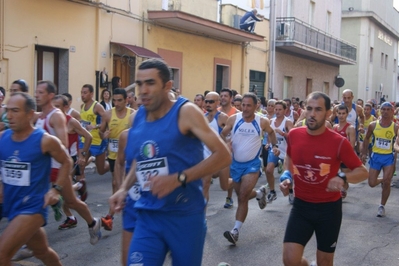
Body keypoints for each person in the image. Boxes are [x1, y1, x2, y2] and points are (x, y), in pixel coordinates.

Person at [109, 58, 231, 265]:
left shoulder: (186, 112)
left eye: (150, 83)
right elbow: (141, 161)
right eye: (139, 84)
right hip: (148, 215)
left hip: (184, 215)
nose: (143, 90)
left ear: (167, 86)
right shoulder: (138, 118)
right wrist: (123, 188)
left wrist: (178, 178)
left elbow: (223, 155)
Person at [279, 91, 368, 266]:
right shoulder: (295, 135)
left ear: (328, 113)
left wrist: (342, 177)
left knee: (325, 262)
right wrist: (286, 176)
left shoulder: (338, 141)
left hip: (329, 210)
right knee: (290, 260)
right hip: (301, 206)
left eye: (318, 110)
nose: (312, 114)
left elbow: (362, 171)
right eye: (309, 109)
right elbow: (289, 159)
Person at [0, 92, 72, 265]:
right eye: (8, 110)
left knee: (2, 255)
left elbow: (67, 161)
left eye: (15, 111)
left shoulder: (45, 140)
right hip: (12, 206)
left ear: (30, 113)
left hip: (32, 208)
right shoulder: (3, 138)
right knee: (42, 252)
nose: (9, 115)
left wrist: (56, 189)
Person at [35, 81, 102, 244]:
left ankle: (93, 223)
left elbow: (64, 144)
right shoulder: (38, 117)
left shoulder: (62, 118)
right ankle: (31, 239)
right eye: (36, 92)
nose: (36, 95)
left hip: (60, 166)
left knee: (71, 201)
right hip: (43, 168)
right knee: (35, 199)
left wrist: (83, 155)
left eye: (40, 92)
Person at [220, 93, 279, 245]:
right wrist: (226, 144)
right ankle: (260, 193)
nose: (245, 108)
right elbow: (222, 134)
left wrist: (275, 147)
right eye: (243, 105)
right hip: (235, 164)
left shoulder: (262, 121)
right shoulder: (234, 119)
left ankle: (235, 231)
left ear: (256, 106)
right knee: (242, 194)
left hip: (252, 164)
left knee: (241, 197)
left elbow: (271, 133)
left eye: (248, 105)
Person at [52, 94, 92, 229]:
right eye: (53, 106)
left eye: (57, 107)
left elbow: (88, 136)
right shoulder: (51, 120)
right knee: (62, 192)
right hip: (55, 160)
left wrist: (83, 156)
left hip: (69, 160)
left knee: (62, 191)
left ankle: (76, 218)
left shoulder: (71, 121)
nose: (54, 110)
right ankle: (79, 187)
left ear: (66, 107)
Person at [99, 88, 134, 231]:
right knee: (117, 184)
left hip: (128, 155)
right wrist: (104, 135)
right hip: (114, 155)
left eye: (120, 100)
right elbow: (101, 132)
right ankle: (121, 206)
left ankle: (110, 216)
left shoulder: (133, 115)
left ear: (126, 100)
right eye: (115, 100)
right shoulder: (108, 114)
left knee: (117, 183)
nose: (117, 103)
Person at [362, 102, 398, 217]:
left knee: (388, 181)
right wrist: (363, 153)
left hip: (388, 157)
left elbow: (397, 144)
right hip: (376, 156)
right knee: (372, 183)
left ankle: (382, 206)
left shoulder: (395, 127)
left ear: (392, 112)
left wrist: (395, 156)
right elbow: (366, 138)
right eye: (383, 109)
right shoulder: (373, 125)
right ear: (379, 111)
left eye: (388, 109)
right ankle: (383, 180)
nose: (386, 112)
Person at [202, 92, 231, 204]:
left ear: (217, 103)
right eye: (206, 101)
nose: (208, 104)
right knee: (205, 185)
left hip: (220, 157)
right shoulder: (202, 118)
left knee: (224, 186)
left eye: (211, 101)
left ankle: (238, 183)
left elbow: (230, 138)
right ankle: (202, 217)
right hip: (205, 158)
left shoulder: (223, 118)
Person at [265, 100, 294, 204]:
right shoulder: (271, 121)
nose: (277, 111)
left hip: (286, 151)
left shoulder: (288, 122)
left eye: (279, 109)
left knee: (288, 173)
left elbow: (293, 136)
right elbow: (269, 135)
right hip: (275, 149)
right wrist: (268, 144)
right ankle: (272, 192)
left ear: (285, 110)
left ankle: (290, 191)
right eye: (275, 109)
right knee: (268, 170)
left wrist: (282, 133)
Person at [80, 84, 110, 175]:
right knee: (80, 165)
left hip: (98, 141)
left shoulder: (97, 106)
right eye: (81, 92)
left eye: (85, 93)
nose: (82, 95)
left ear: (91, 94)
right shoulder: (82, 106)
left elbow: (107, 120)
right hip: (85, 140)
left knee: (101, 170)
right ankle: (82, 187)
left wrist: (96, 126)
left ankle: (113, 163)